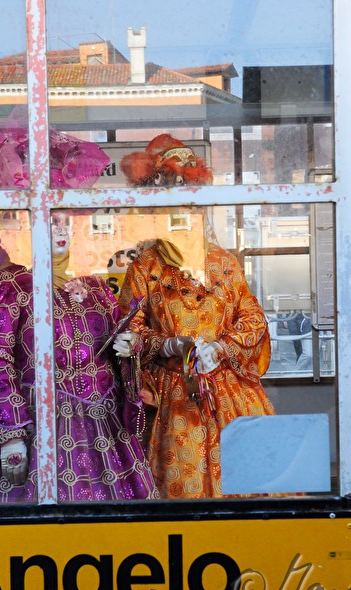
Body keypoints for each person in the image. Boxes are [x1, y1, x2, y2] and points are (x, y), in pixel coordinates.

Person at [0, 122, 157, 503]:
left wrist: (128, 348)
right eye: (51, 222)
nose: (61, 230)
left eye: (66, 220)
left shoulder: (95, 287)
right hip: (39, 428)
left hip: (103, 426)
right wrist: (11, 433)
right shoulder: (11, 286)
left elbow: (117, 341)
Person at [117, 133, 276, 499]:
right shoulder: (146, 266)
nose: (182, 213)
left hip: (231, 397)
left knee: (248, 488)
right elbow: (128, 330)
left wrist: (221, 349)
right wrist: (167, 344)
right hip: (173, 400)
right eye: (171, 205)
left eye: (191, 203)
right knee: (181, 491)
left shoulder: (223, 263)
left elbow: (252, 318)